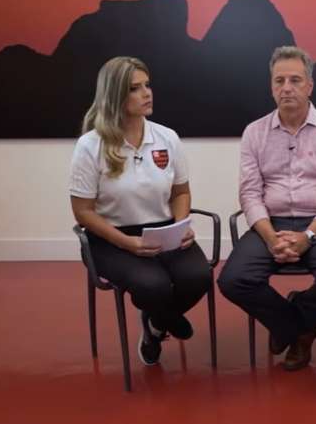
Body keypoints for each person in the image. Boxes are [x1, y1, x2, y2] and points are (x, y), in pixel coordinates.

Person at [218, 46, 316, 371]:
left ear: (310, 86)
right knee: (232, 280)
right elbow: (250, 193)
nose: (287, 88)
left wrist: (308, 235)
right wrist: (269, 237)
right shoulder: (255, 132)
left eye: (295, 80)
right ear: (271, 87)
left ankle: (295, 313)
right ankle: (296, 328)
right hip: (270, 222)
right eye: (279, 81)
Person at [69, 56, 212, 366]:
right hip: (111, 238)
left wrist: (181, 223)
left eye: (147, 85)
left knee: (199, 276)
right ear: (115, 95)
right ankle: (169, 319)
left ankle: (157, 324)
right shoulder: (89, 145)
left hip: (163, 229)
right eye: (135, 88)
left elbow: (181, 192)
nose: (147, 93)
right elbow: (83, 212)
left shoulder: (167, 137)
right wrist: (127, 243)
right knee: (153, 285)